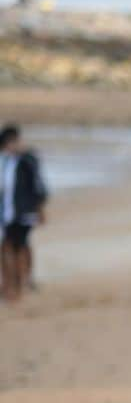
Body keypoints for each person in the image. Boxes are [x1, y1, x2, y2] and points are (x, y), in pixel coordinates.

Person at [1, 123, 48, 303]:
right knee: (6, 247)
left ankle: (21, 284)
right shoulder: (3, 161)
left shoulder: (26, 160)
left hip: (22, 211)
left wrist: (39, 208)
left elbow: (38, 184)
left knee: (20, 246)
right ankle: (8, 284)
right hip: (5, 213)